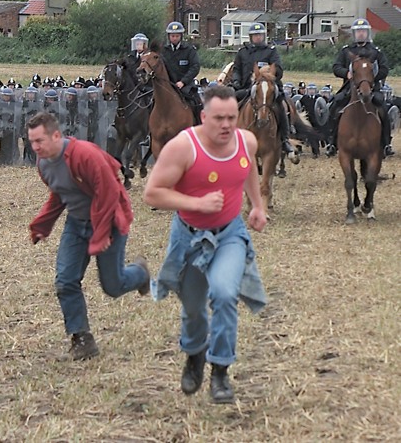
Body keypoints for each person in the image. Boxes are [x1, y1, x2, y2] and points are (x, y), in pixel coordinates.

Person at [143, 85, 267, 404]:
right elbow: (153, 193)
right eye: (219, 118)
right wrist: (195, 204)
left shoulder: (246, 141)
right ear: (203, 116)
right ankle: (195, 354)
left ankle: (221, 371)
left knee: (225, 294)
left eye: (232, 117)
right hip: (189, 236)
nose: (227, 125)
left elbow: (248, 166)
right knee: (194, 309)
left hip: (230, 235)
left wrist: (257, 205)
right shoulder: (183, 147)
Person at [27, 112, 150, 361]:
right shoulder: (44, 165)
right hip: (77, 223)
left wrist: (102, 234)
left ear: (56, 135)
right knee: (65, 280)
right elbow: (59, 194)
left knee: (113, 287)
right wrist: (42, 225)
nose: (35, 147)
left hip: (109, 220)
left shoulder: (86, 155)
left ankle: (140, 273)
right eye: (32, 142)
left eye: (40, 141)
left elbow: (108, 195)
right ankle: (81, 338)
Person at [326, 18, 394, 157]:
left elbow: (385, 68)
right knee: (334, 106)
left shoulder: (376, 51)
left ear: (367, 33)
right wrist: (347, 73)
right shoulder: (346, 51)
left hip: (372, 88)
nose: (361, 34)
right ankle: (332, 142)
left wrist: (370, 78)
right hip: (349, 89)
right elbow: (336, 67)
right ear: (354, 34)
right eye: (358, 31)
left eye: (363, 31)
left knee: (383, 108)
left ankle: (386, 143)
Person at [230, 22, 295, 156]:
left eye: (260, 35)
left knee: (281, 105)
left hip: (267, 87)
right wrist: (236, 80)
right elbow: (236, 69)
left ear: (264, 36)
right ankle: (229, 137)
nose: (258, 38)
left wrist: (269, 75)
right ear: (250, 37)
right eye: (255, 35)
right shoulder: (243, 52)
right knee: (230, 103)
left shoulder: (271, 51)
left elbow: (278, 69)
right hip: (246, 88)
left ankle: (285, 139)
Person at [162, 21, 203, 123]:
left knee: (197, 103)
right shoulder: (163, 50)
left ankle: (199, 126)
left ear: (181, 36)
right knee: (152, 102)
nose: (174, 38)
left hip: (186, 86)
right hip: (168, 85)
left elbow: (195, 66)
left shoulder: (189, 50)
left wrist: (183, 81)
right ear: (169, 36)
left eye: (176, 36)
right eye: (172, 36)